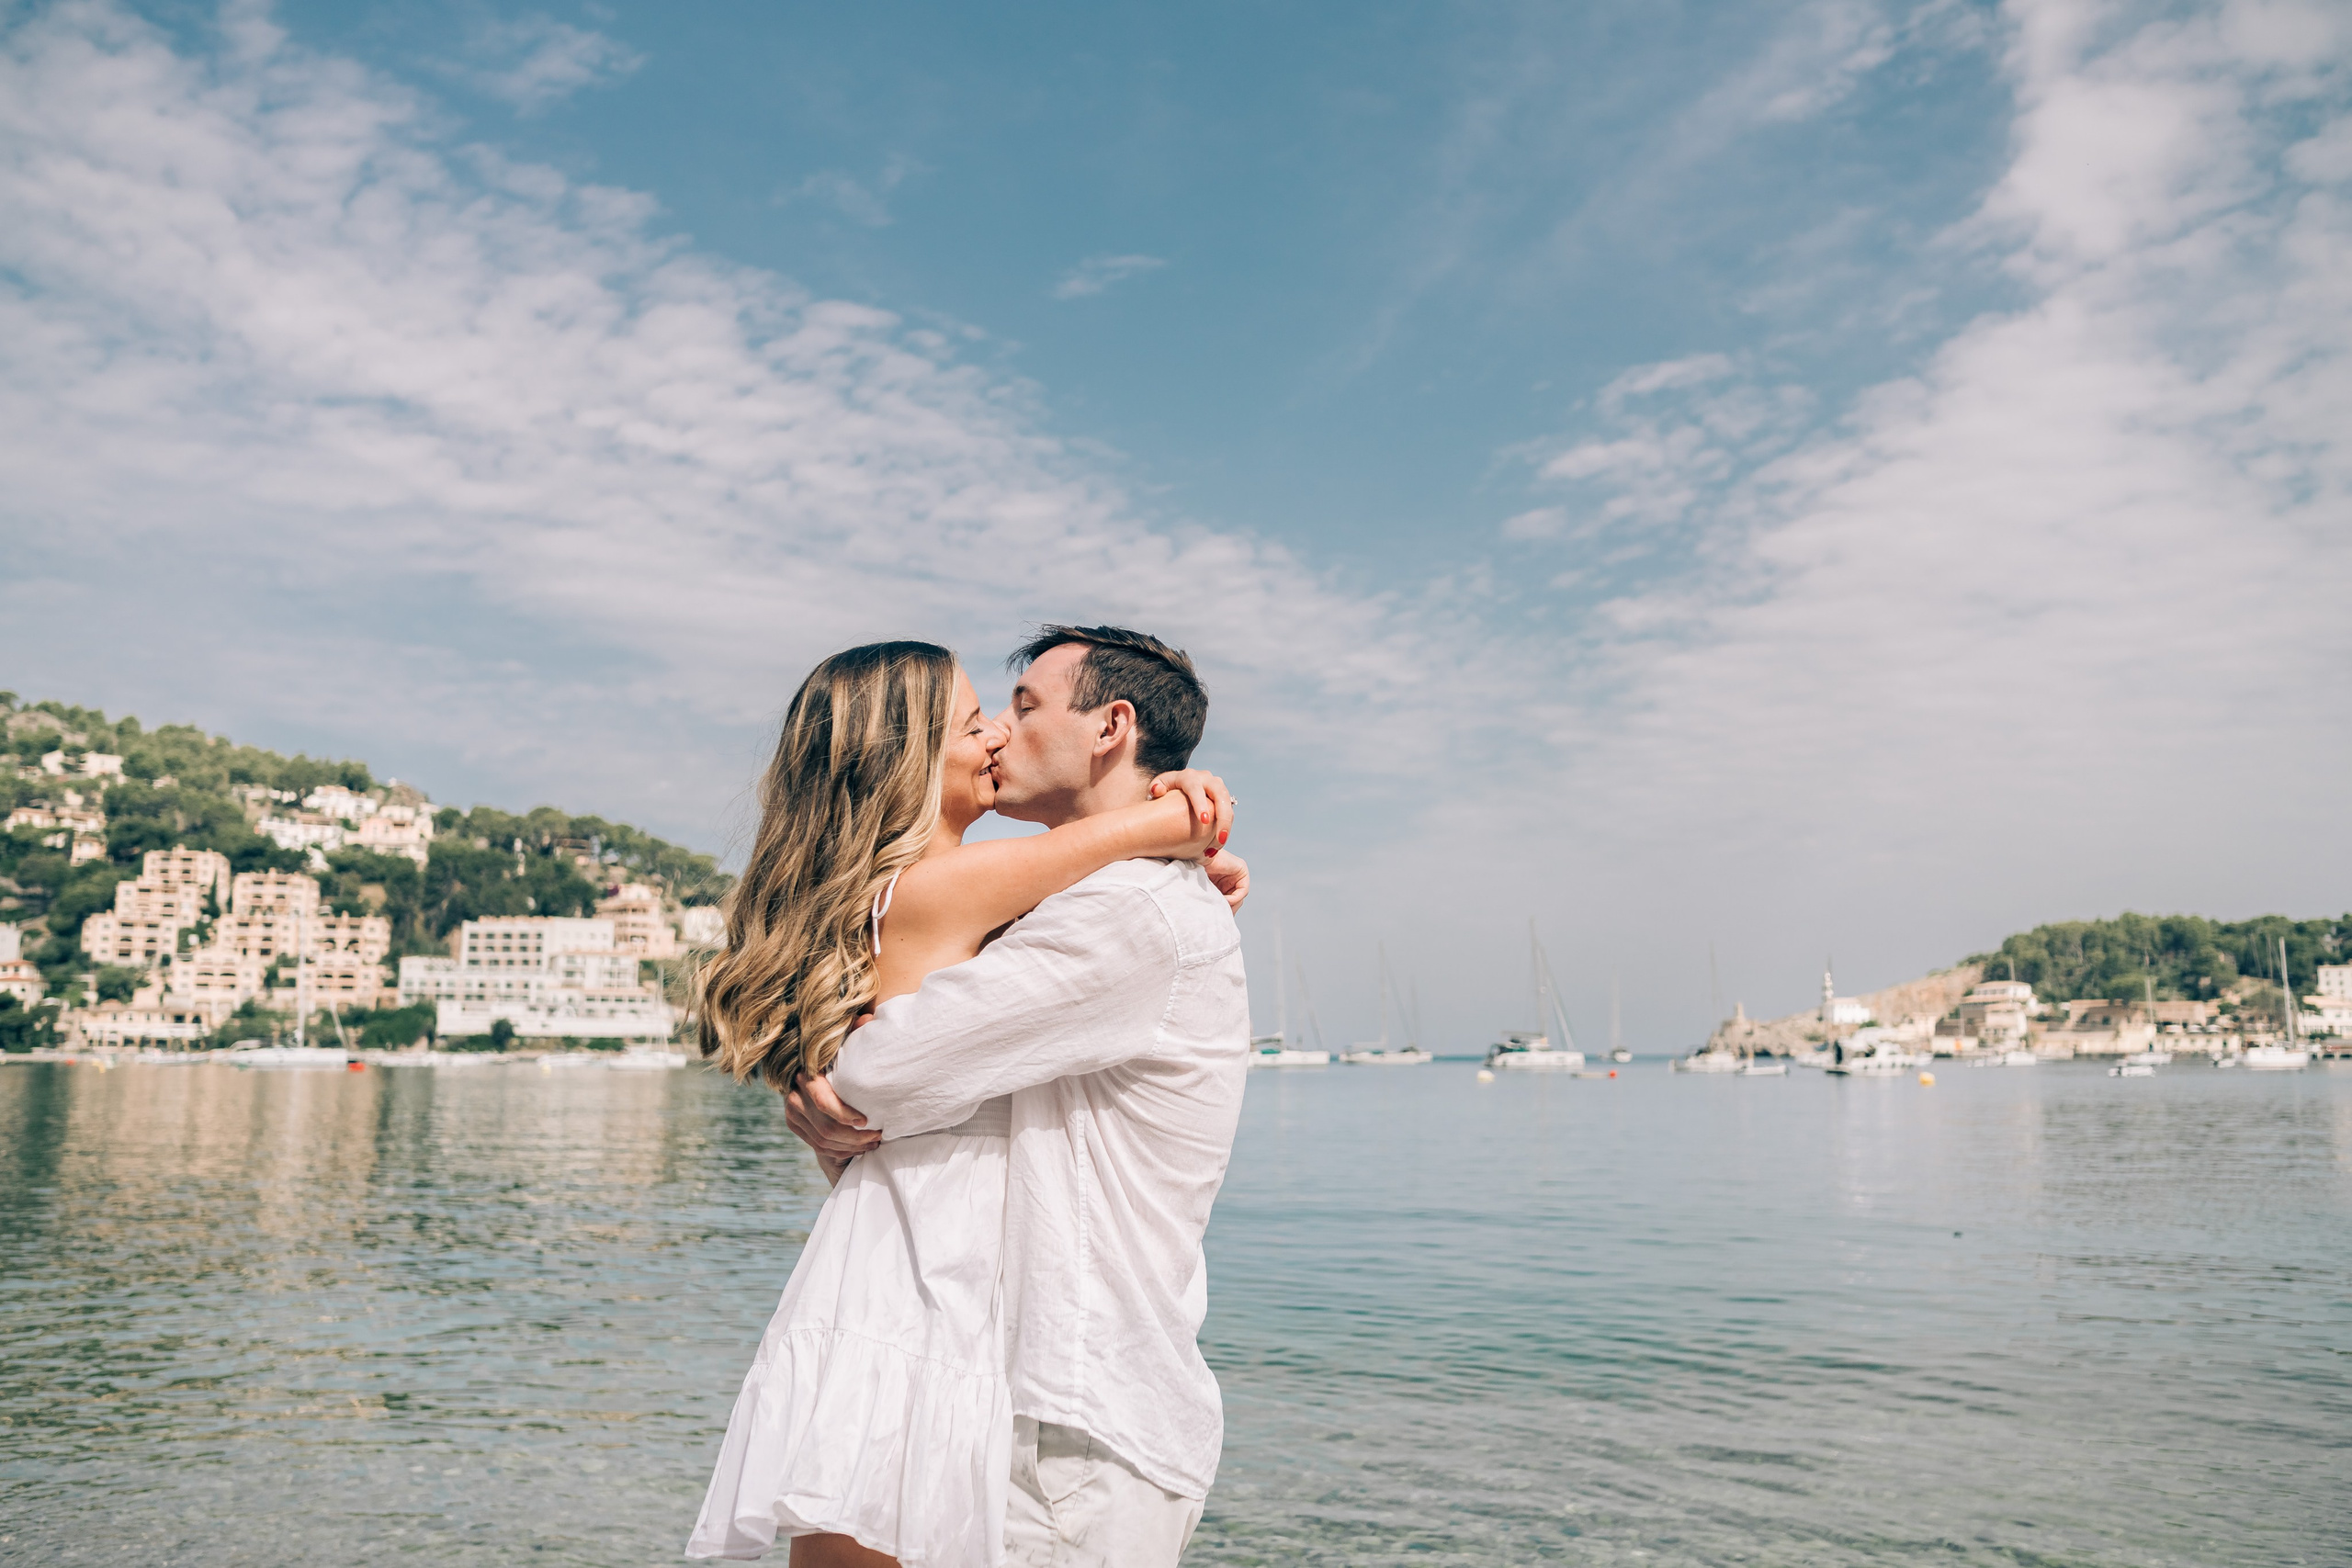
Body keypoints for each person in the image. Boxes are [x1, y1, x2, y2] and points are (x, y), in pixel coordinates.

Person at [685, 638, 1241, 1568]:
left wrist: (1178, 846)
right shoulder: (996, 892)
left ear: (1112, 728)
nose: (996, 735)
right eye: (978, 717)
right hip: (949, 1337)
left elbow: (890, 1063)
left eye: (1019, 707)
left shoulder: (1094, 909)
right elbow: (885, 1072)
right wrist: (1173, 822)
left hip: (947, 1340)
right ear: (906, 758)